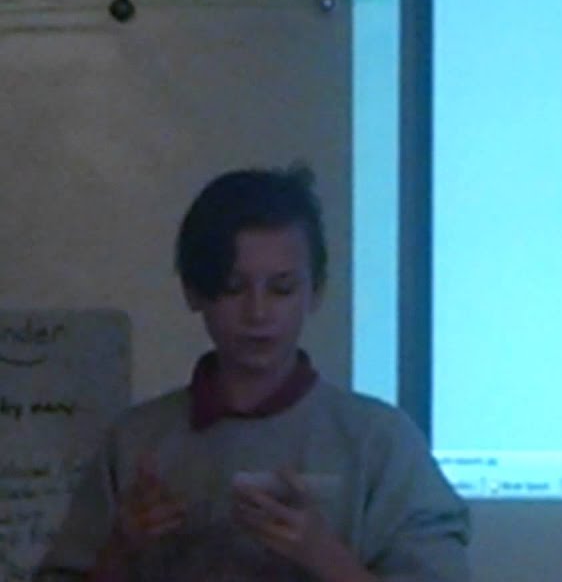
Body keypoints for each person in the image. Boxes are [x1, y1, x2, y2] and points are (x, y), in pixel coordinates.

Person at [36, 165, 470, 581]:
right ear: (193, 291)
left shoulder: (380, 442)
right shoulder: (137, 441)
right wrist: (120, 550)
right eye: (232, 287)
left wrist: (325, 557)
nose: (258, 312)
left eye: (282, 289)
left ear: (315, 291)